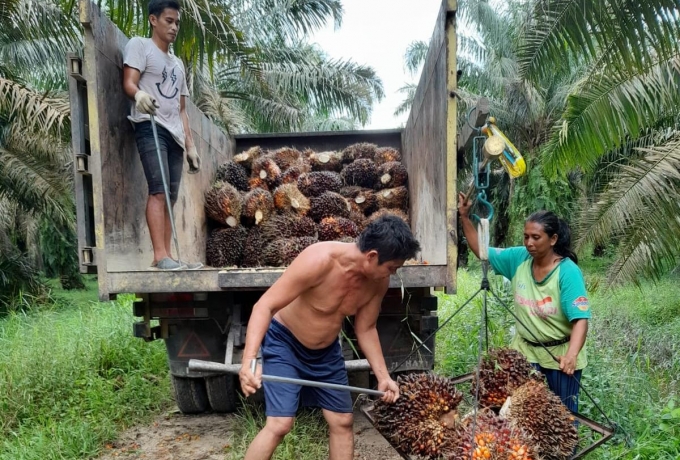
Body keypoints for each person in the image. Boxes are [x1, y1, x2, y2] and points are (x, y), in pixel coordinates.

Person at [238, 215, 421, 460]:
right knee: (280, 424)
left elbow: (366, 329)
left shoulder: (378, 282)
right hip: (286, 343)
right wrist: (249, 361)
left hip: (326, 352)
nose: (393, 274)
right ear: (372, 256)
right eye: (391, 268)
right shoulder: (319, 260)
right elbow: (264, 306)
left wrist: (383, 376)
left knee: (343, 421)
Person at [458, 193, 591, 413]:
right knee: (520, 413)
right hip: (525, 352)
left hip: (559, 353)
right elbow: (482, 251)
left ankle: (565, 449)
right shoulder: (519, 259)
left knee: (563, 415)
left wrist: (572, 355)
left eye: (536, 237)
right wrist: (464, 217)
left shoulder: (567, 273)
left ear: (553, 239)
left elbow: (580, 320)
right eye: (526, 236)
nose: (529, 243)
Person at [122, 0, 202, 270]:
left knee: (172, 195)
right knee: (158, 190)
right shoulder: (140, 46)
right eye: (169, 21)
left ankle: (168, 256)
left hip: (175, 135)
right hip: (150, 125)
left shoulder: (178, 64)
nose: (174, 27)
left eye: (177, 22)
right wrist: (139, 94)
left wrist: (190, 146)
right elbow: (129, 82)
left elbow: (182, 110)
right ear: (153, 20)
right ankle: (159, 256)